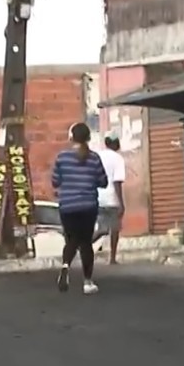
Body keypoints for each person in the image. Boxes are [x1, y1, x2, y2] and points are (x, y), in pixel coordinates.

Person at [52, 122, 108, 294]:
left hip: (67, 206)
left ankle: (65, 266)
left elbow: (55, 181)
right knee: (85, 243)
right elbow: (103, 182)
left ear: (71, 137)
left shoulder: (62, 157)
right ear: (88, 138)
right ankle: (87, 282)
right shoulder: (94, 158)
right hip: (88, 206)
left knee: (71, 240)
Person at [97, 132, 126, 265]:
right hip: (111, 198)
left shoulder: (98, 156)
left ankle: (82, 245)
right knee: (114, 229)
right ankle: (112, 258)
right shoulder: (117, 158)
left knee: (102, 229)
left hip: (98, 197)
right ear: (115, 143)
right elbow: (117, 182)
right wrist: (121, 202)